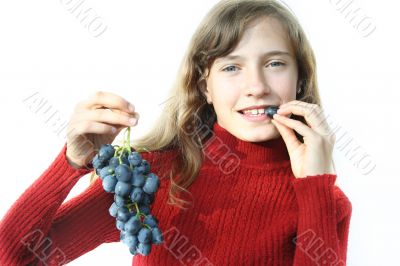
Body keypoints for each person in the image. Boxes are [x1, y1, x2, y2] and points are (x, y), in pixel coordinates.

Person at [0, 0, 352, 265]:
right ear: (205, 88)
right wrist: (70, 163)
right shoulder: (148, 179)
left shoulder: (324, 201)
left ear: (299, 80)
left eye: (275, 63)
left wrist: (316, 185)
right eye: (231, 67)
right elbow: (12, 258)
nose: (256, 87)